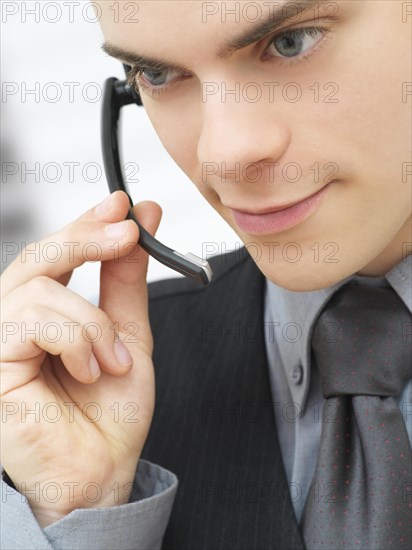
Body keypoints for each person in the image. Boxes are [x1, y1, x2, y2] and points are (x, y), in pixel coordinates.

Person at [1, 1, 411, 548]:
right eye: (158, 74)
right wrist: (82, 518)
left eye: (292, 42)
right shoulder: (93, 389)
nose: (224, 155)